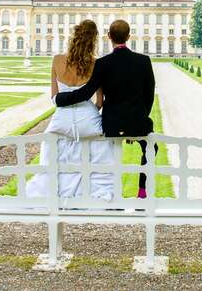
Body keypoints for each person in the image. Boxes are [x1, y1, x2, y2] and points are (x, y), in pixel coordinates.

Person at [55, 19, 156, 198]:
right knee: (151, 148)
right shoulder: (144, 61)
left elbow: (86, 92)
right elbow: (149, 95)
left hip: (111, 124)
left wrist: (60, 99)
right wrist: (139, 119)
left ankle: (107, 190)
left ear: (109, 36)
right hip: (138, 122)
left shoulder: (102, 63)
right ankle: (142, 191)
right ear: (129, 36)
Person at [26, 20, 114, 201]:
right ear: (93, 41)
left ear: (73, 37)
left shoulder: (57, 60)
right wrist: (88, 111)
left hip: (61, 120)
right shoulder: (96, 64)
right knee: (99, 151)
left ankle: (55, 192)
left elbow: (54, 98)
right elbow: (99, 102)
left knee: (52, 151)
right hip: (88, 119)